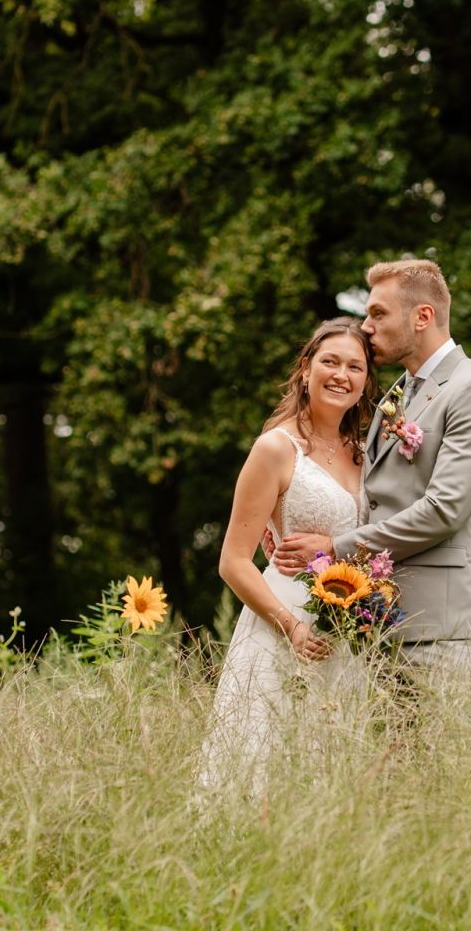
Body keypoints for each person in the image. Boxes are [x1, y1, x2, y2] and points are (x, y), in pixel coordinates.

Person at [273, 259, 471, 698]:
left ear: (422, 316)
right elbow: (380, 494)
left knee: (453, 766)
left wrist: (335, 547)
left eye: (378, 313)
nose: (366, 327)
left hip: (448, 631)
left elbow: (444, 509)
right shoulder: (398, 393)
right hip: (382, 624)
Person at [197, 317, 377, 791]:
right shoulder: (276, 449)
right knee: (267, 760)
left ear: (365, 382)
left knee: (334, 764)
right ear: (305, 369)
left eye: (355, 367)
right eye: (330, 361)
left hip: (349, 627)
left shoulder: (367, 453)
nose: (341, 374)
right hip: (285, 621)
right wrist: (292, 627)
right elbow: (233, 561)